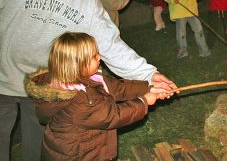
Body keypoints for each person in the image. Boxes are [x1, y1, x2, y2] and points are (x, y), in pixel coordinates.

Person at [0, 0, 176, 161]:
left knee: (37, 153)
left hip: (48, 90)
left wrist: (149, 75)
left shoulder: (88, 1)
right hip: (1, 81)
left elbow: (111, 45)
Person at [24, 32, 161, 160]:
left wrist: (148, 88)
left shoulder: (88, 78)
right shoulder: (79, 101)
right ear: (78, 65)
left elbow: (119, 87)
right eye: (94, 56)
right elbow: (112, 116)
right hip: (77, 155)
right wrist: (143, 101)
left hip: (87, 149)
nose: (99, 57)